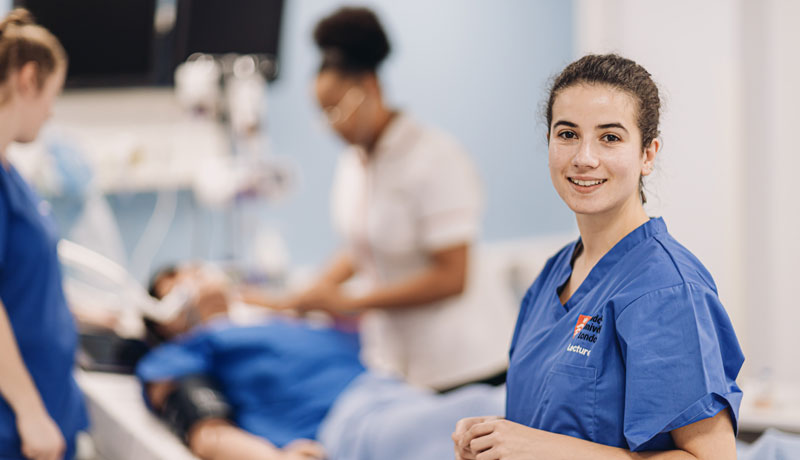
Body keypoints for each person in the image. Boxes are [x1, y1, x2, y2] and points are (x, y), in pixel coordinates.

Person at [452, 54, 743, 459]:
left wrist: (541, 447)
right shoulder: (554, 274)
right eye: (567, 134)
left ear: (648, 154)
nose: (584, 157)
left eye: (610, 137)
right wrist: (497, 439)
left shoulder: (667, 290)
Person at [246, 6, 515, 392]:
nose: (332, 125)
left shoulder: (434, 158)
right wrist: (310, 294)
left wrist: (348, 301)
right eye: (323, 113)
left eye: (337, 109)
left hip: (467, 363)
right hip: (395, 362)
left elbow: (452, 276)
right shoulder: (355, 162)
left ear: (370, 88)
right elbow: (364, 245)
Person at [137, 265, 505, 460]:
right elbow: (205, 430)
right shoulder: (189, 348)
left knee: (491, 406)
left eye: (191, 268)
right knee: (490, 416)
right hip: (349, 425)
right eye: (174, 284)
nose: (191, 276)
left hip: (391, 392)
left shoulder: (276, 318)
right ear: (165, 321)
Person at [0, 9, 88, 460]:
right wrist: (31, 412)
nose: (52, 110)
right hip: (15, 424)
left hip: (46, 404)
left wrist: (86, 314)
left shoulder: (13, 174)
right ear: (28, 79)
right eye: (53, 93)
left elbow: (22, 284)